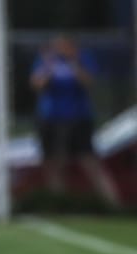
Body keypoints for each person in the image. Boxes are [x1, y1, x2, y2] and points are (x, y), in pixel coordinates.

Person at [29, 34, 121, 208]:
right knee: (54, 162)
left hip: (78, 117)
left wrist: (74, 62)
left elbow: (88, 82)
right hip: (51, 117)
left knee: (89, 160)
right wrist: (49, 65)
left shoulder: (82, 59)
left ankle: (112, 204)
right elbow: (37, 84)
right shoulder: (47, 60)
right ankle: (59, 203)